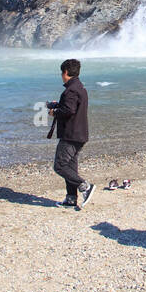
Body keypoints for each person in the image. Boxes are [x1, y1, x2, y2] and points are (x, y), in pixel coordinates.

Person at [49, 58, 93, 209]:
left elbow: (69, 110)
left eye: (62, 73)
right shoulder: (79, 87)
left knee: (60, 166)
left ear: (65, 72)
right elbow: (71, 107)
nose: (61, 75)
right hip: (79, 134)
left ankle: (85, 186)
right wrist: (58, 105)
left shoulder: (71, 90)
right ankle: (71, 199)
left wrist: (54, 112)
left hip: (71, 134)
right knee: (70, 167)